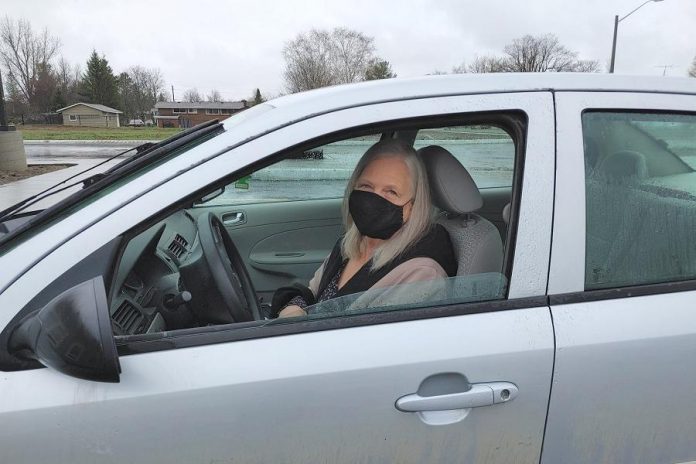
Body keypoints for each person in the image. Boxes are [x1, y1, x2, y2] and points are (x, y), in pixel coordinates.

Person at [274, 139, 456, 318]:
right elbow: (313, 292)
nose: (373, 201)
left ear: (413, 206)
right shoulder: (351, 244)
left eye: (391, 192)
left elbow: (371, 342)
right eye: (366, 187)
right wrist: (294, 307)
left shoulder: (422, 274)